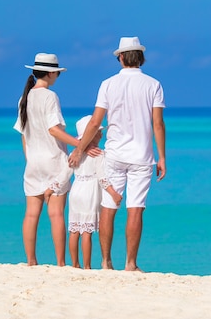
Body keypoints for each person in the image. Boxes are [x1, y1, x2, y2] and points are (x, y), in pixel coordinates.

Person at [68, 36, 166, 272]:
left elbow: (95, 122)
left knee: (108, 208)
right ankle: (130, 264)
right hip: (142, 155)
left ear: (121, 57)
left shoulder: (108, 84)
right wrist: (161, 157)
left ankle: (105, 262)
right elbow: (158, 123)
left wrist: (80, 149)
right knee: (135, 209)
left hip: (114, 155)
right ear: (140, 57)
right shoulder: (153, 84)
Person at [14, 52, 99, 266]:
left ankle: (31, 261)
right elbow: (53, 130)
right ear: (51, 73)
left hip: (33, 162)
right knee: (56, 214)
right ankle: (61, 263)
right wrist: (81, 145)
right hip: (53, 160)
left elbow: (24, 135)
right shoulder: (50, 97)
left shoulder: (24, 98)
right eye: (57, 74)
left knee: (31, 214)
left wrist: (29, 159)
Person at [68, 115, 122, 269]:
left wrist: (52, 187)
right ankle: (87, 266)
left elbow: (65, 172)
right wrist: (114, 193)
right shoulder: (99, 154)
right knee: (86, 232)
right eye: (98, 132)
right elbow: (102, 177)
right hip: (89, 194)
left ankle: (75, 264)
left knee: (74, 229)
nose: (101, 134)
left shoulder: (74, 153)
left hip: (76, 190)